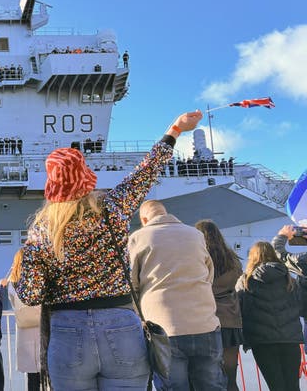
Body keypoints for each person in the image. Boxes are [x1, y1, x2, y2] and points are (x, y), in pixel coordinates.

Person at [15, 110, 202, 390]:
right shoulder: (112, 209)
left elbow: (30, 293)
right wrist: (175, 129)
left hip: (67, 329)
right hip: (121, 322)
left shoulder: (41, 231)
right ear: (86, 177)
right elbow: (146, 173)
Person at [128, 201, 225, 390]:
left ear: (144, 219)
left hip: (164, 328)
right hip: (205, 323)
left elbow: (131, 286)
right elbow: (209, 274)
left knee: (174, 386)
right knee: (212, 385)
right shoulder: (195, 235)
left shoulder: (139, 237)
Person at [236, 241, 302, 390]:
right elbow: (299, 304)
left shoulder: (246, 281)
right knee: (292, 386)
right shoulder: (288, 279)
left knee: (276, 386)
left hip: (263, 342)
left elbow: (238, 309)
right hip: (290, 341)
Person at [195, 219, 243, 391]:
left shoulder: (197, 258)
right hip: (230, 320)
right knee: (230, 376)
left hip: (206, 320)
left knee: (208, 377)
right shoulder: (232, 258)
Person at [7, 249, 41, 391]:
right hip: (41, 327)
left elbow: (13, 302)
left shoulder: (13, 283)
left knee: (31, 377)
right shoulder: (37, 279)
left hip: (24, 330)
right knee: (45, 373)